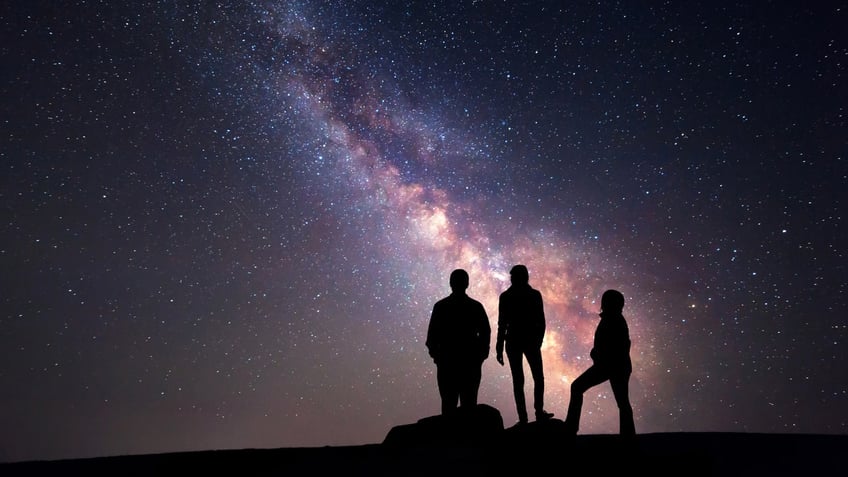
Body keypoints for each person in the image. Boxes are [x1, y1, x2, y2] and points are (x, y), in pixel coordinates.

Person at [563, 289, 635, 436]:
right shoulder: (613, 319)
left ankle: (571, 427)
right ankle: (628, 435)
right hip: (614, 366)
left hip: (611, 366)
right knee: (622, 402)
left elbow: (621, 346)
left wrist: (598, 355)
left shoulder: (613, 320)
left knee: (577, 387)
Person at [426, 268, 492, 415]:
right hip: (462, 362)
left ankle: (452, 437)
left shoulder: (441, 306)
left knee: (451, 405)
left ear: (451, 283)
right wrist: (481, 354)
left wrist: (437, 355)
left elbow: (431, 337)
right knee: (466, 404)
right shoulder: (474, 306)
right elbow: (485, 333)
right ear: (467, 283)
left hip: (455, 362)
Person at [495, 264, 554, 424]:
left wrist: (499, 347)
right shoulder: (528, 295)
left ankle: (529, 416)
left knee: (526, 379)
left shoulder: (510, 296)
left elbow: (540, 321)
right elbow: (503, 323)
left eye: (514, 276)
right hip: (523, 341)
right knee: (529, 378)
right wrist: (499, 346)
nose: (512, 279)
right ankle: (530, 415)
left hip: (521, 341)